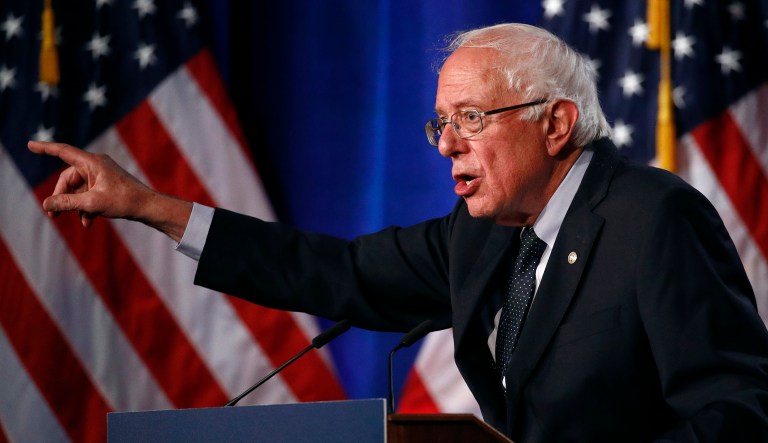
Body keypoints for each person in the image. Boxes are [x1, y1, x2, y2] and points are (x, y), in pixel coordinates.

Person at [28, 23, 768, 442]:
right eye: (441, 124)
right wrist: (152, 206)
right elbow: (335, 271)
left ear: (557, 123)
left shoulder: (653, 217)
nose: (446, 145)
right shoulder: (482, 237)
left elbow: (736, 411)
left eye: (471, 119)